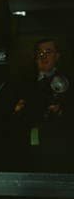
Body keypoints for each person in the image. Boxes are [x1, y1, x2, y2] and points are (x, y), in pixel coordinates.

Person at [13, 38, 72, 171]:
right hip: (27, 152)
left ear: (57, 56)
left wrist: (60, 111)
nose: (43, 56)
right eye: (39, 53)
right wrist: (16, 111)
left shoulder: (68, 81)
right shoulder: (22, 81)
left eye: (48, 52)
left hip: (58, 152)